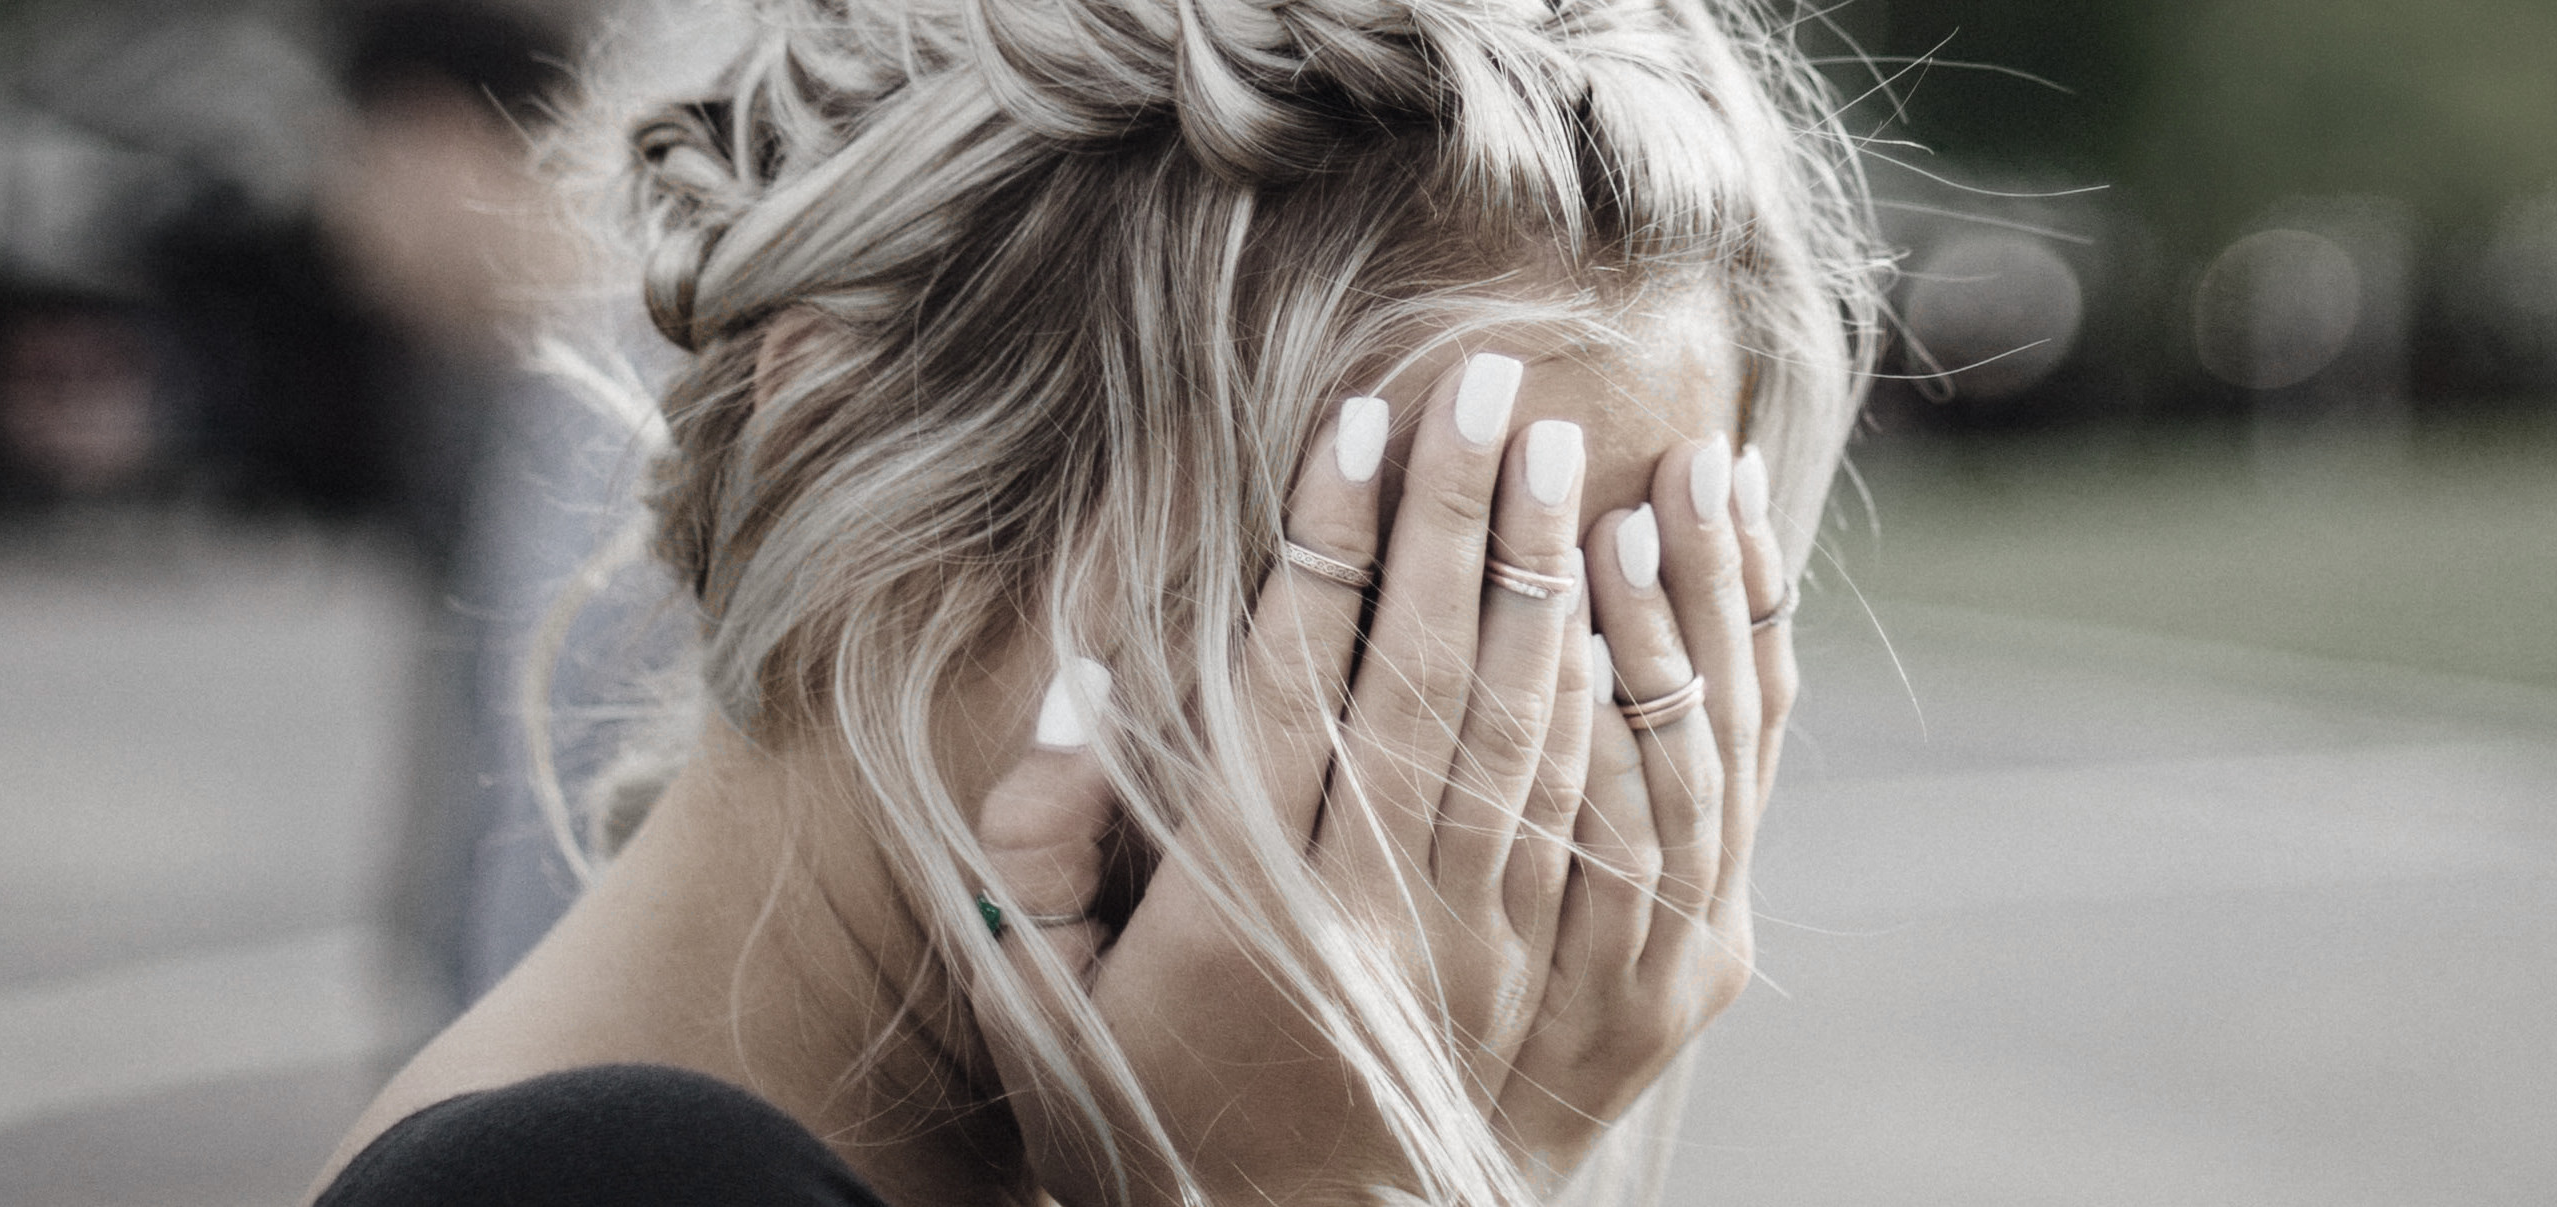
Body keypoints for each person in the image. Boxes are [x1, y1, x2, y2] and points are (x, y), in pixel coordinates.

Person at [316, 0, 1877, 1202]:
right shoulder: (606, 1186)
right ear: (853, 457)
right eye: (1376, 595)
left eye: (1606, 633)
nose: (1508, 771)